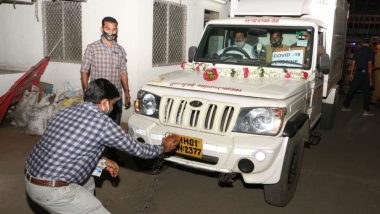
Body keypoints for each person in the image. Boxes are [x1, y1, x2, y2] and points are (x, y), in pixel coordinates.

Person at [25, 78, 180, 213]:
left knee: (88, 182)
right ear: (105, 103)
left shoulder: (66, 111)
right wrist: (162, 147)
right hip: (52, 190)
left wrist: (102, 162)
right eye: (113, 104)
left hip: (31, 177)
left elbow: (67, 147)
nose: (113, 108)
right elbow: (137, 149)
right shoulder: (103, 123)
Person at [81, 16, 130, 165]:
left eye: (114, 29)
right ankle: (94, 158)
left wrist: (127, 91)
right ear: (102, 29)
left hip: (115, 99)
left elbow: (123, 72)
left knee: (113, 129)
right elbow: (84, 71)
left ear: (117, 30)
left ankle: (113, 157)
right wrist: (86, 92)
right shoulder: (92, 48)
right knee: (96, 131)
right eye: (108, 29)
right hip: (98, 100)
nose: (111, 32)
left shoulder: (120, 50)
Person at [342, 38, 375, 116]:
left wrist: (351, 73)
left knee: (352, 90)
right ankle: (366, 110)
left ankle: (345, 106)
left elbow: (353, 63)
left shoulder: (357, 50)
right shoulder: (370, 51)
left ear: (362, 43)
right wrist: (370, 78)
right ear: (369, 43)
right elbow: (369, 65)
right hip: (365, 74)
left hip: (357, 73)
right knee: (367, 92)